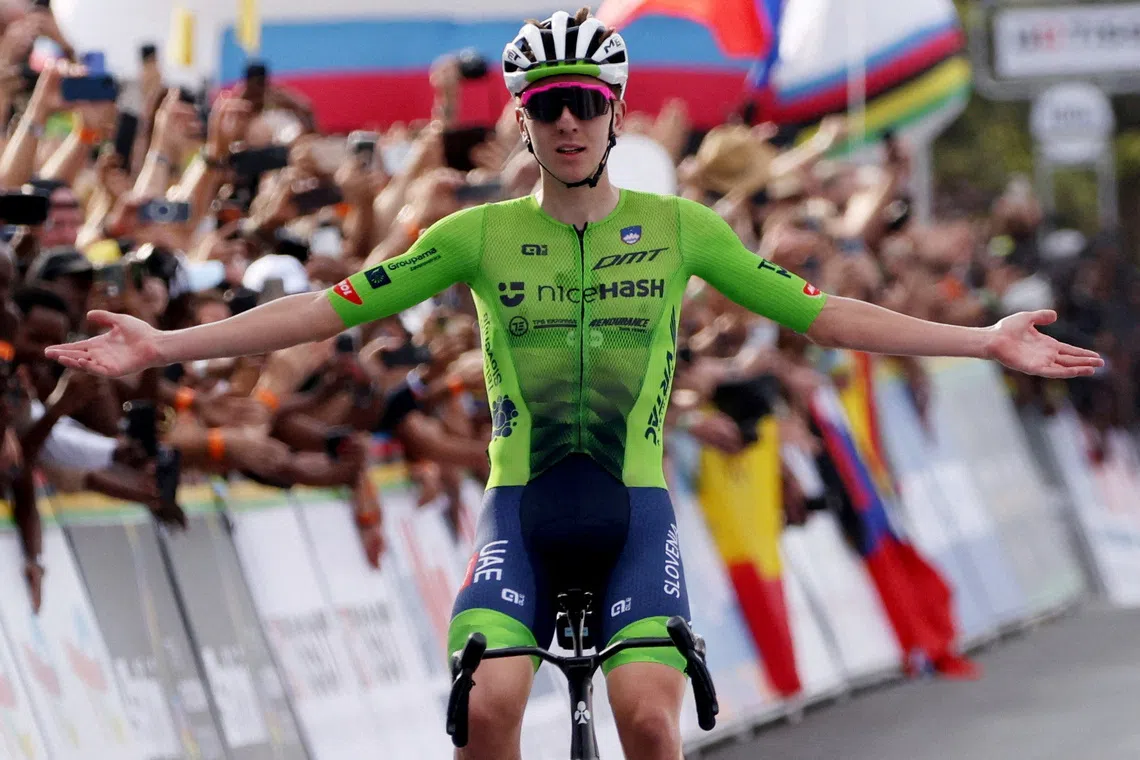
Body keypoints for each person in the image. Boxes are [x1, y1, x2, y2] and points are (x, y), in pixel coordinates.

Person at [45, 9, 1102, 760]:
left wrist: (979, 340)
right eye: (547, 106)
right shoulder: (476, 234)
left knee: (650, 720)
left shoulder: (682, 228)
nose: (566, 124)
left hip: (634, 510)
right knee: (492, 704)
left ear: (613, 112)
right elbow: (327, 309)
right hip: (523, 508)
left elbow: (822, 312)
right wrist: (163, 348)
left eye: (584, 105)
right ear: (521, 120)